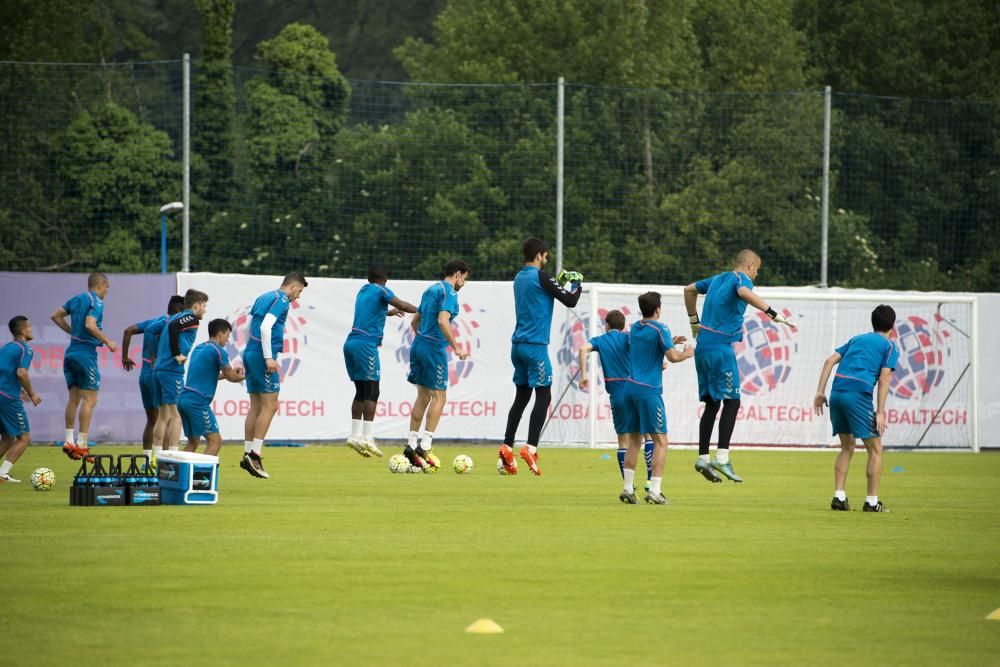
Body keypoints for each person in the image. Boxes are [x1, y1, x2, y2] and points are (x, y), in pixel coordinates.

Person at [683, 249, 795, 484]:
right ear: (751, 266)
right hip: (720, 349)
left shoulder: (717, 279)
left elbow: (689, 289)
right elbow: (744, 292)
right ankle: (722, 457)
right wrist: (771, 313)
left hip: (702, 347)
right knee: (733, 401)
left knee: (712, 403)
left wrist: (694, 321)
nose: (756, 277)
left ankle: (703, 457)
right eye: (757, 271)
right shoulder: (741, 279)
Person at [498, 238, 582, 476]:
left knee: (521, 397)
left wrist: (559, 284)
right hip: (536, 346)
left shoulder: (518, 278)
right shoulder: (541, 277)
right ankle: (531, 448)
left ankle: (507, 445)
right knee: (544, 396)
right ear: (538, 255)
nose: (546, 260)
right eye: (545, 256)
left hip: (517, 346)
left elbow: (545, 292)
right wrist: (576, 284)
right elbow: (571, 299)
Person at [813, 305, 899, 513]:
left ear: (873, 323)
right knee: (875, 449)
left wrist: (819, 391)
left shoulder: (857, 339)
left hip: (837, 393)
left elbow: (829, 361)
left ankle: (839, 497)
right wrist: (880, 411)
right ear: (892, 326)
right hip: (858, 396)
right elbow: (884, 376)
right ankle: (871, 502)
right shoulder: (889, 346)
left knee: (847, 447)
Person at [619, 292, 693, 505]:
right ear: (658, 309)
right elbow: (672, 357)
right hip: (649, 391)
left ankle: (627, 489)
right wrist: (686, 352)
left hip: (629, 388)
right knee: (661, 441)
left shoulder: (635, 328)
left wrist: (671, 341)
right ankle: (655, 491)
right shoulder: (661, 328)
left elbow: (646, 349)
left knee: (634, 440)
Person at [402, 260, 471, 471]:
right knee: (440, 397)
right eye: (465, 279)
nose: (464, 284)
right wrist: (456, 347)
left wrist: (423, 341)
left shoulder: (430, 289)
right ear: (458, 274)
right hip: (433, 349)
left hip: (418, 345)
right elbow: (443, 321)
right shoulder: (449, 292)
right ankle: (426, 446)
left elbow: (415, 322)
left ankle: (411, 446)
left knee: (422, 396)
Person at [344, 264, 417, 458]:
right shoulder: (382, 290)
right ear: (385, 278)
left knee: (361, 391)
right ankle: (367, 438)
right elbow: (402, 304)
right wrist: (422, 311)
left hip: (351, 342)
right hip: (365, 345)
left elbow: (369, 313)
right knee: (373, 391)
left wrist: (387, 312)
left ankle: (354, 435)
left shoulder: (364, 290)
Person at [241, 272, 309, 479]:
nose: (298, 297)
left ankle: (247, 452)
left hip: (251, 352)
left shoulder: (263, 297)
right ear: (292, 287)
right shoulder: (281, 299)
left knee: (256, 406)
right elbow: (265, 326)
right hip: (262, 356)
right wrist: (268, 357)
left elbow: (247, 327)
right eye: (299, 292)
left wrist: (251, 352)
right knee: (271, 405)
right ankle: (255, 454)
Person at [578, 310, 654, 490]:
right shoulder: (628, 336)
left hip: (617, 396)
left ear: (607, 325)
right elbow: (644, 349)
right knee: (648, 435)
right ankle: (651, 481)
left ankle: (629, 485)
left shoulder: (600, 340)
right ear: (623, 325)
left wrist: (583, 375)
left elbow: (582, 349)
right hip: (635, 390)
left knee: (623, 441)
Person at [50, 272, 116, 461]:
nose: (107, 291)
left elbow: (55, 315)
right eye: (107, 287)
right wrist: (108, 341)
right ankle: (82, 445)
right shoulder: (97, 301)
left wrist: (72, 332)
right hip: (86, 355)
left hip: (71, 353)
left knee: (74, 398)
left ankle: (69, 441)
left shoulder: (77, 298)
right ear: (101, 284)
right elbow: (90, 324)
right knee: (90, 399)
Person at [121, 294, 185, 462]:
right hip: (160, 374)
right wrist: (154, 356)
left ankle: (147, 461)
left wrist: (125, 357)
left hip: (145, 374)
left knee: (152, 420)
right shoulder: (171, 324)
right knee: (167, 418)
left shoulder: (153, 322)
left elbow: (128, 330)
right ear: (180, 310)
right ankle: (163, 462)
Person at [151, 289, 208, 461]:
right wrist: (176, 353)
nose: (205, 310)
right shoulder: (191, 318)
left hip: (159, 370)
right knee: (176, 417)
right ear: (196, 305)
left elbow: (155, 332)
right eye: (204, 306)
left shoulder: (173, 317)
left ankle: (154, 459)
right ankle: (173, 460)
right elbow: (175, 329)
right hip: (171, 371)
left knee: (163, 417)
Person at [179, 319, 245, 456]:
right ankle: (200, 476)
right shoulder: (218, 351)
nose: (227, 340)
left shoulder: (199, 348)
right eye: (227, 335)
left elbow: (208, 375)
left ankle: (176, 474)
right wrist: (248, 375)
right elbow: (232, 377)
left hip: (184, 400)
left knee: (193, 443)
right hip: (197, 402)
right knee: (215, 442)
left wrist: (229, 373)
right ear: (220, 334)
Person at [0, 317, 42, 483]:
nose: (32, 329)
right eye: (30, 327)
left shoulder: (6, 348)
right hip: (8, 399)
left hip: (4, 395)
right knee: (24, 438)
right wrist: (31, 394)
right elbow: (21, 373)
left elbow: (5, 373)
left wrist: (20, 390)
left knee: (7, 438)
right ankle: (3, 473)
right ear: (23, 331)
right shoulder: (25, 349)